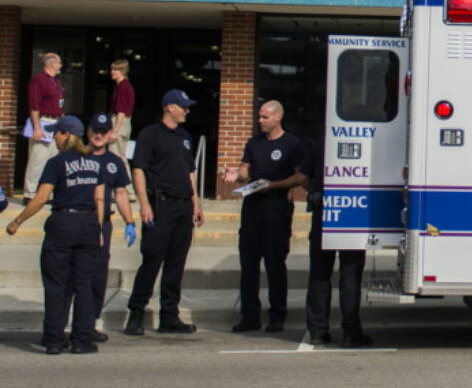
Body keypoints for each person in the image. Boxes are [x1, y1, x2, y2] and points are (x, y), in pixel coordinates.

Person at [5, 116, 105, 355]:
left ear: (66, 135)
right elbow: (99, 198)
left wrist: (17, 220)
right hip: (88, 223)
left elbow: (41, 198)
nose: (55, 138)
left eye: (57, 133)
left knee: (56, 284)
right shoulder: (94, 163)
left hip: (63, 223)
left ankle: (54, 340)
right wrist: (98, 228)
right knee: (83, 284)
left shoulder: (56, 162)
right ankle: (81, 340)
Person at [124, 89, 204, 336]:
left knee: (176, 264)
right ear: (170, 107)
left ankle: (170, 315)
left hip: (183, 206)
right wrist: (144, 203)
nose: (187, 111)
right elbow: (139, 169)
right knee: (152, 261)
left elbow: (190, 172)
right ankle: (136, 314)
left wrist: (196, 202)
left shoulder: (185, 136)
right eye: (183, 107)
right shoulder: (150, 134)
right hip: (161, 205)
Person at [222, 100, 305, 334]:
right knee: (248, 265)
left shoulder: (292, 144)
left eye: (265, 117)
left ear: (278, 117)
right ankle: (250, 316)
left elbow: (301, 177)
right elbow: (245, 172)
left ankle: (277, 316)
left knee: (275, 265)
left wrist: (274, 185)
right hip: (252, 208)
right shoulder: (253, 143)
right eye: (259, 117)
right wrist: (235, 175)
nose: (260, 121)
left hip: (276, 208)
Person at [303, 136, 372, 347]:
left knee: (319, 273)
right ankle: (351, 333)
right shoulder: (365, 141)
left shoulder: (321, 143)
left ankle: (317, 331)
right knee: (350, 275)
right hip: (353, 213)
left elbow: (305, 177)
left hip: (324, 211)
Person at [79, 114, 136, 343]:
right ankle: (62, 323)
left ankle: (90, 322)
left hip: (102, 224)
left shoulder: (114, 162)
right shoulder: (76, 157)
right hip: (78, 220)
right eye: (95, 130)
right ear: (88, 132)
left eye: (103, 130)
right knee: (74, 275)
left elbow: (121, 193)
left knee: (98, 275)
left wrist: (130, 222)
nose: (99, 135)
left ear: (110, 134)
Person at [24, 52, 65, 201]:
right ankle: (30, 193)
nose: (60, 65)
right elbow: (34, 105)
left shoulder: (56, 81)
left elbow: (59, 103)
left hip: (56, 123)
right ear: (52, 64)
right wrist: (37, 127)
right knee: (38, 158)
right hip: (43, 121)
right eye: (59, 62)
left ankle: (47, 192)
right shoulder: (38, 80)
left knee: (53, 159)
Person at [108, 59, 135, 180]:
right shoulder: (121, 86)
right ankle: (125, 189)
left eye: (115, 70)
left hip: (120, 122)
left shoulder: (123, 86)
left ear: (122, 71)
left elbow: (121, 111)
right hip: (123, 122)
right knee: (119, 156)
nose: (112, 72)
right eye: (112, 69)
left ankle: (126, 189)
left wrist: (115, 130)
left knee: (117, 157)